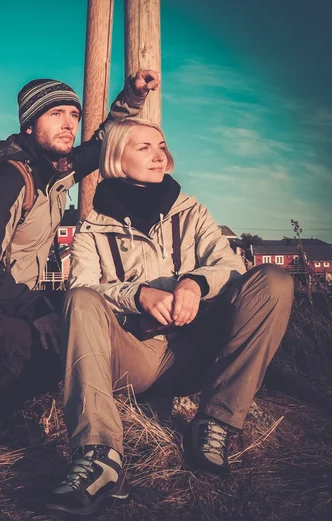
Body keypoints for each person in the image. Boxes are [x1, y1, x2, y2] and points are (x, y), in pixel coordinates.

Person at [47, 117, 294, 517]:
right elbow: (87, 288)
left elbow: (230, 265)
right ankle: (100, 457)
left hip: (199, 352)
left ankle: (215, 422)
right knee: (78, 298)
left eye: (161, 145)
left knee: (274, 280)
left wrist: (195, 284)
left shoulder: (192, 212)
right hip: (136, 359)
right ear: (115, 157)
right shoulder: (91, 229)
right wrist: (137, 297)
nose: (158, 154)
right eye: (144, 147)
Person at [0, 72, 160, 435]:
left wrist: (131, 97)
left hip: (10, 298)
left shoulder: (55, 171)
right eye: (56, 114)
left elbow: (102, 143)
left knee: (75, 329)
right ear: (31, 124)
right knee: (25, 342)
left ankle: (0, 409)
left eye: (73, 115)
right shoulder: (7, 180)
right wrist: (38, 313)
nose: (69, 124)